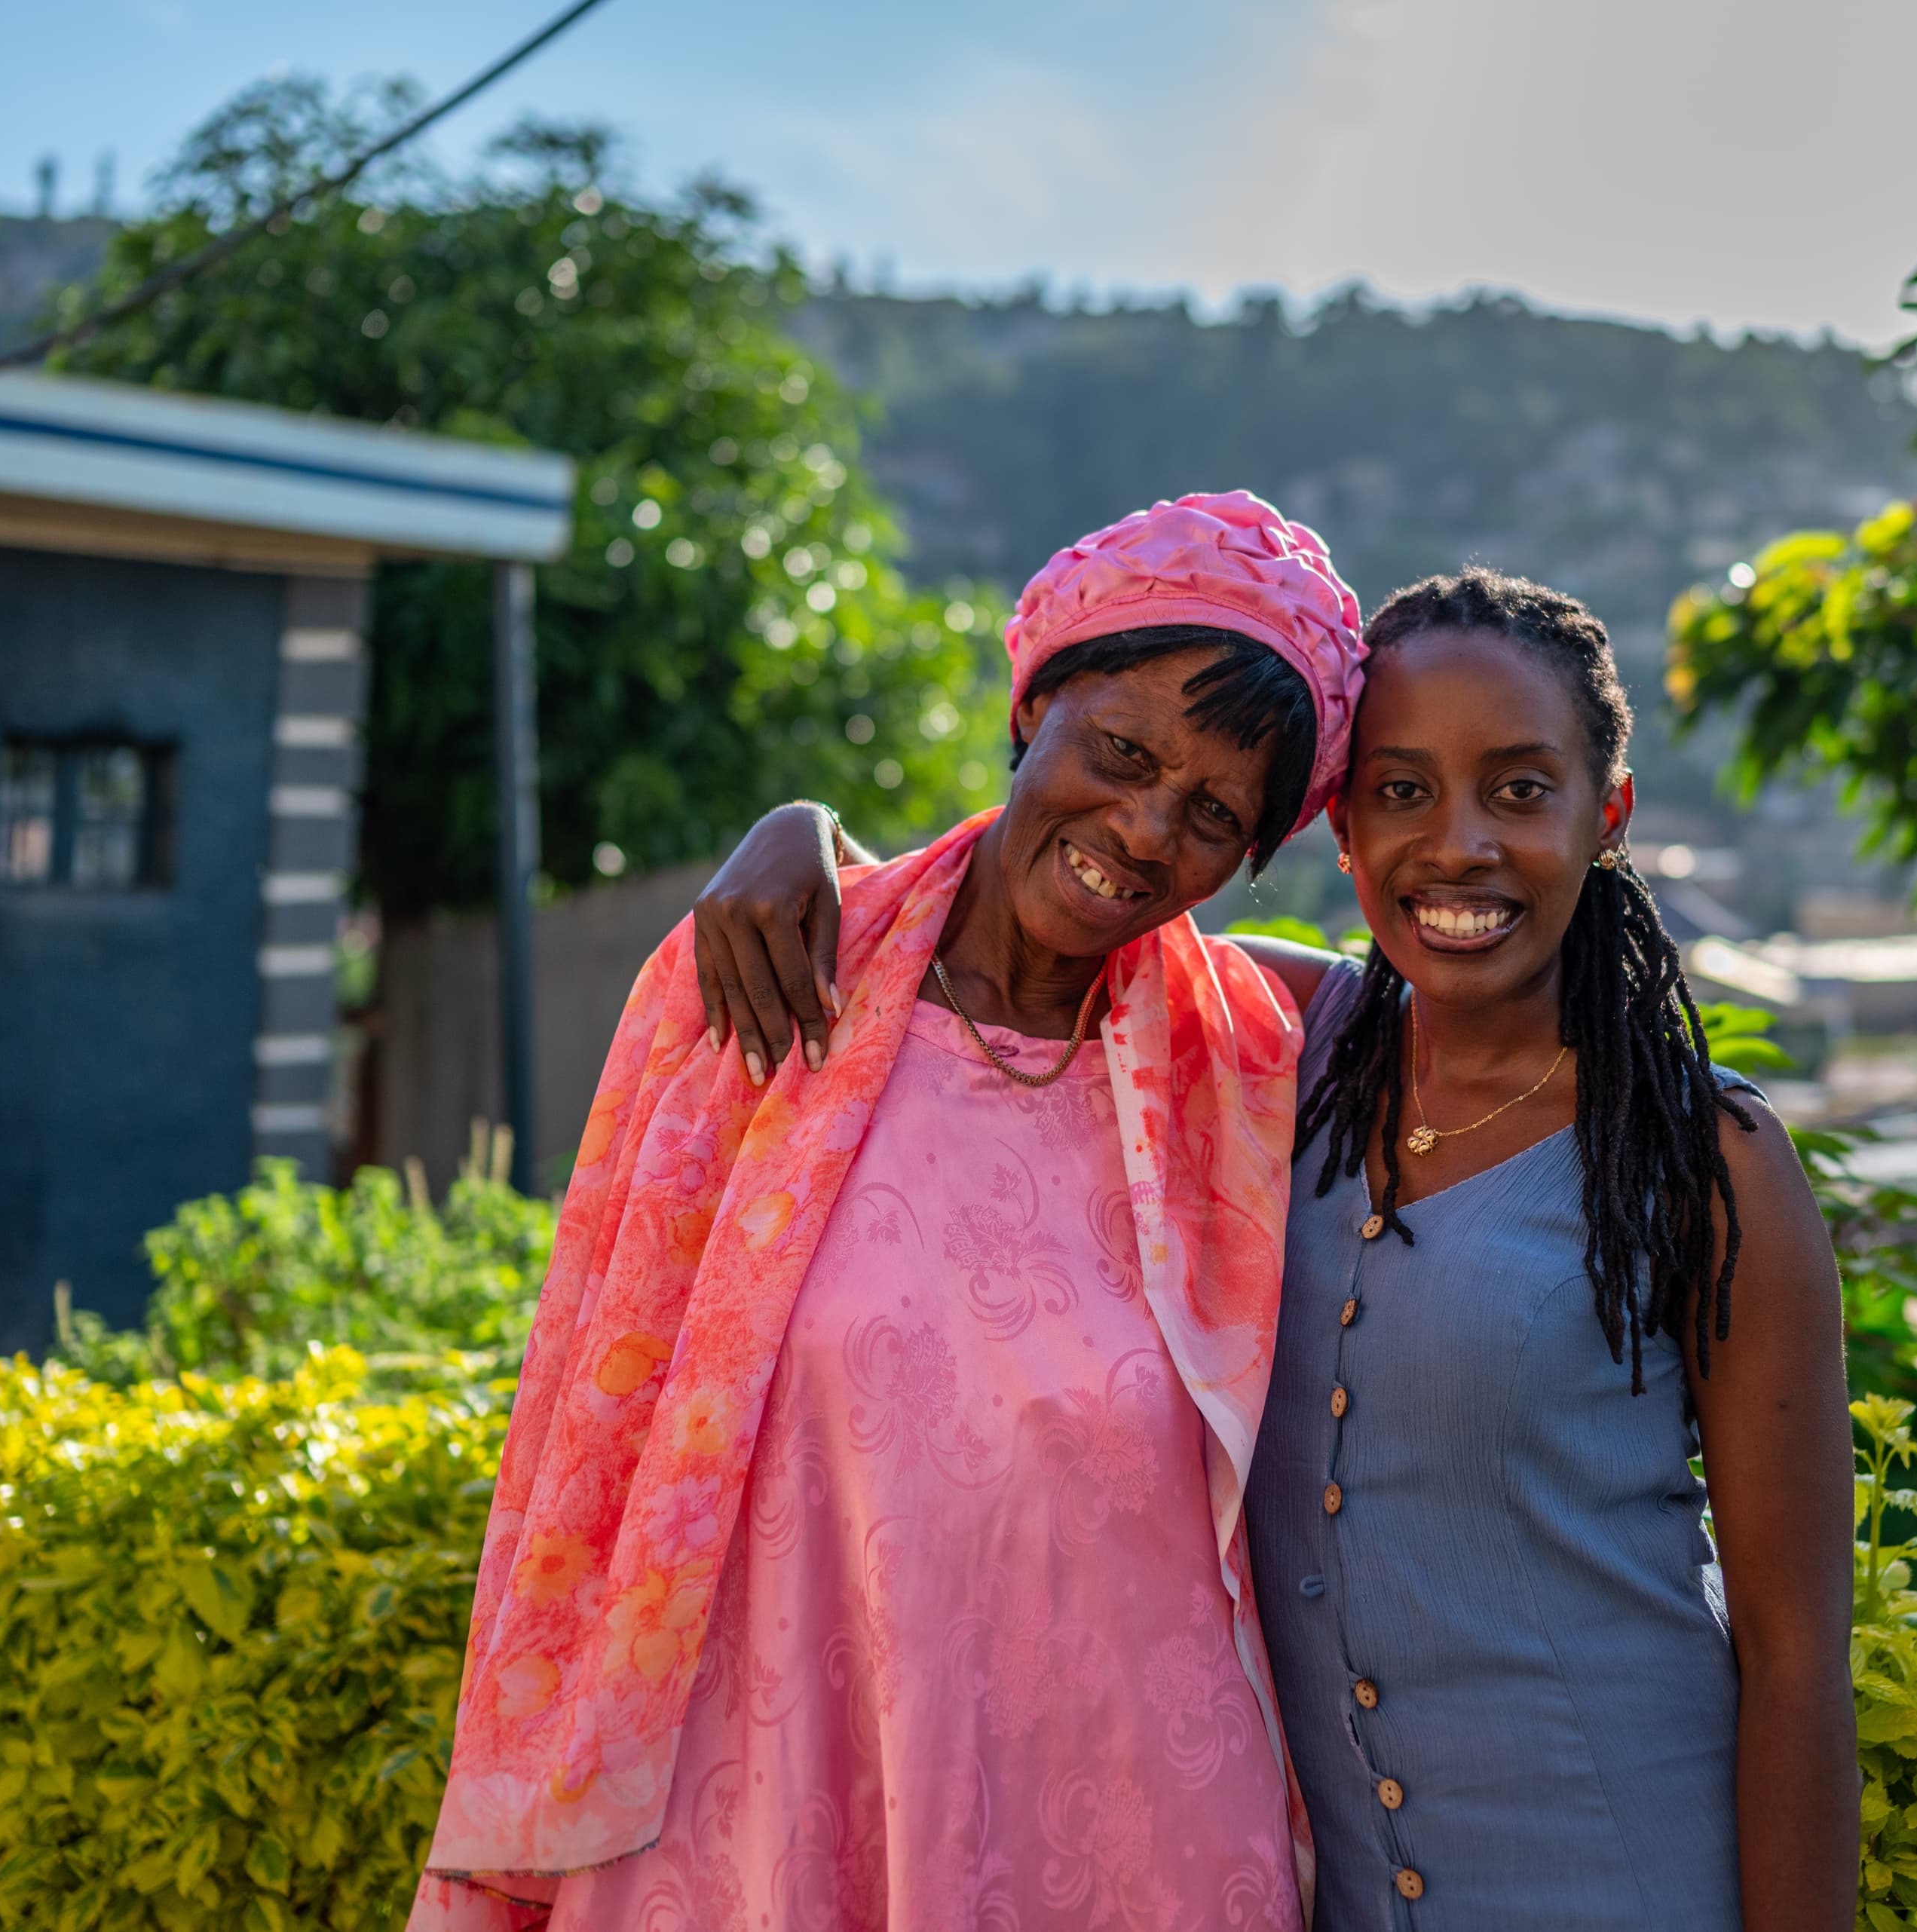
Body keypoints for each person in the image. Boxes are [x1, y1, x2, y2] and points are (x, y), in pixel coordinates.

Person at [699, 568, 1857, 1930]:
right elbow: (1038, 896)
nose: (1459, 846)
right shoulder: (1256, 1042)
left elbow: (1795, 1660)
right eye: (1403, 791)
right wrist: (807, 838)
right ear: (1342, 830)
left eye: (1521, 791)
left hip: (1624, 1885)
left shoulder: (1701, 1158)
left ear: (1606, 817)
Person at [407, 491, 1367, 1931]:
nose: (1143, 827)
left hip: (1123, 1830)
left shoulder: (1245, 1064)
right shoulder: (772, 977)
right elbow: (586, 1414)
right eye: (1121, 752)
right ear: (1034, 708)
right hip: (766, 1806)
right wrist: (803, 830)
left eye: (1214, 815)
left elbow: (1462, 1005)